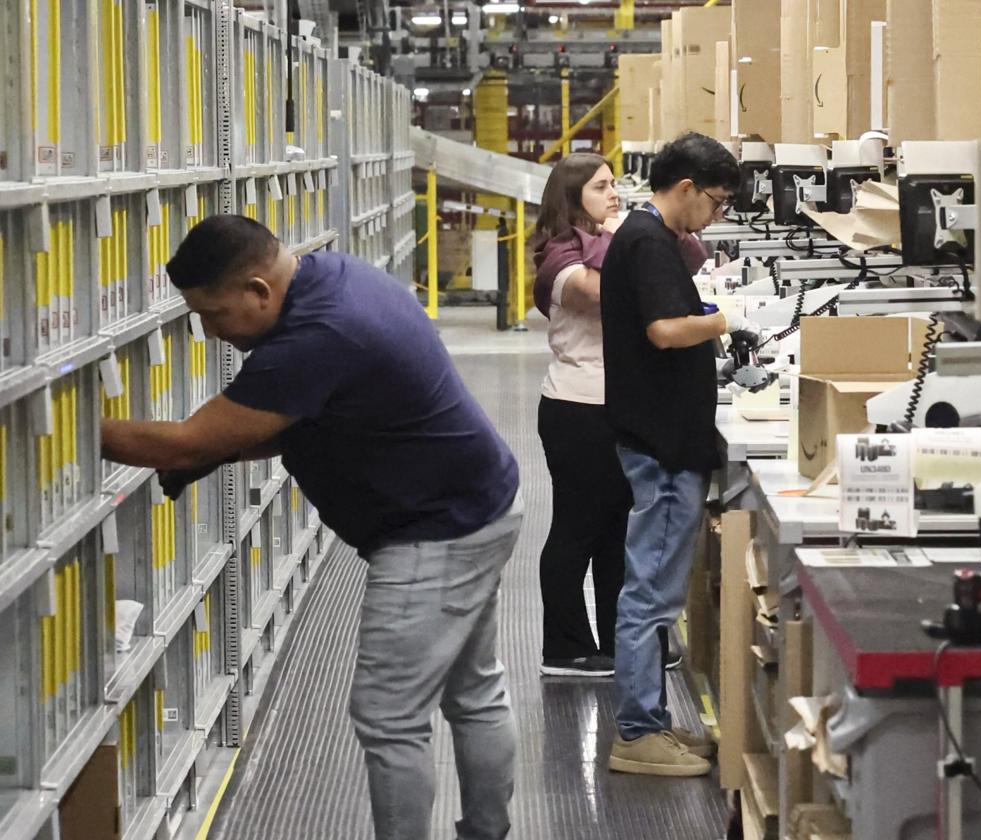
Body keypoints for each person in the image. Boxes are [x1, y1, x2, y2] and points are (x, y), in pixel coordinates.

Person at [100, 215, 522, 840]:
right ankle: (488, 832)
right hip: (478, 503)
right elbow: (295, 422)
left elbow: (189, 442)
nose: (212, 331)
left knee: (389, 718)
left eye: (215, 314)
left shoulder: (316, 337)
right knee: (474, 694)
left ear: (258, 290)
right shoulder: (332, 276)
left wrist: (65, 432)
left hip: (435, 535)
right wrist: (216, 451)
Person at [600, 132, 759, 777]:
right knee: (650, 595)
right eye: (716, 202)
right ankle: (637, 732)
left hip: (658, 435)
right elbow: (664, 331)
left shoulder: (647, 238)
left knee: (653, 590)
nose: (716, 215)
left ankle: (654, 723)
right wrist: (727, 319)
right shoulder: (648, 243)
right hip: (662, 446)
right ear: (687, 188)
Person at [532, 154, 708, 678]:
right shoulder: (559, 259)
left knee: (617, 533)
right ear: (571, 199)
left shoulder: (615, 241)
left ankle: (619, 640)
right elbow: (607, 292)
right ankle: (563, 647)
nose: (614, 194)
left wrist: (629, 232)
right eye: (600, 188)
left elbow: (691, 254)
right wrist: (622, 236)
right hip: (577, 408)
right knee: (576, 531)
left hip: (616, 406)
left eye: (614, 185)